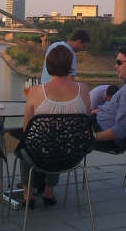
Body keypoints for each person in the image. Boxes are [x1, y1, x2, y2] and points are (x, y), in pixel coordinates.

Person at [20, 45, 91, 209]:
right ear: (70, 65)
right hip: (72, 155)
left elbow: (26, 130)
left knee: (26, 146)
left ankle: (27, 194)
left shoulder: (36, 90)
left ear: (47, 64)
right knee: (61, 140)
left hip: (39, 156)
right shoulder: (83, 89)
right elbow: (85, 122)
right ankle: (49, 191)